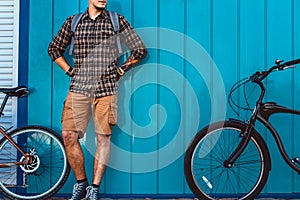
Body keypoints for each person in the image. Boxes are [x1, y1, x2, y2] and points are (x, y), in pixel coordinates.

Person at [48, 0, 147, 199]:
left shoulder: (116, 21)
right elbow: (54, 49)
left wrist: (121, 69)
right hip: (79, 89)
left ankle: (94, 188)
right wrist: (69, 70)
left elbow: (140, 50)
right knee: (69, 136)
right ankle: (81, 183)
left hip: (106, 89)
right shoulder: (73, 22)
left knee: (102, 138)